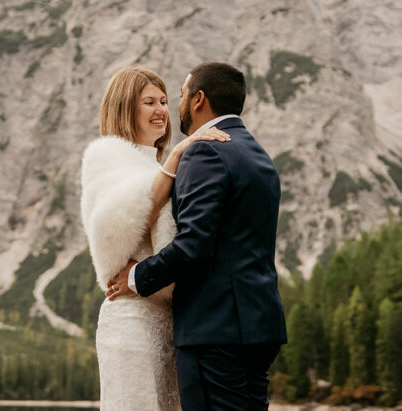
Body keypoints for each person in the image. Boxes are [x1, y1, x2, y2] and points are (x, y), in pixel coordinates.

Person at [108, 62, 288, 411]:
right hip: (260, 324)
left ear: (198, 99)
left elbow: (193, 246)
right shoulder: (258, 155)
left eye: (178, 96)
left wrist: (134, 277)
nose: (175, 107)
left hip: (215, 329)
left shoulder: (204, 150)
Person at [81, 66, 230, 411]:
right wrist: (177, 157)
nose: (162, 110)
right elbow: (119, 226)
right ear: (124, 108)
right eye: (149, 102)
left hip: (172, 324)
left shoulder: (157, 165)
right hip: (131, 322)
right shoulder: (105, 156)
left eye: (164, 100)